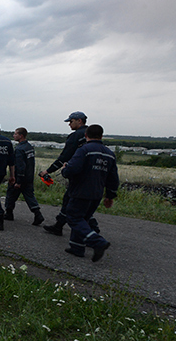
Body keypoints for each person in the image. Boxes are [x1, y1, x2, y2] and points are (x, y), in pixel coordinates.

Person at [60, 124, 119, 261]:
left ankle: (97, 242)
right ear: (101, 136)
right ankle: (77, 247)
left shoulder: (84, 150)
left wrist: (65, 169)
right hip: (97, 193)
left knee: (73, 217)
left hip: (81, 191)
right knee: (83, 219)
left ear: (86, 135)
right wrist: (110, 195)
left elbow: (72, 169)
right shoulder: (109, 154)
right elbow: (113, 178)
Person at [38, 111, 95, 236]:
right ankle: (60, 225)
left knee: (69, 201)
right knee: (79, 203)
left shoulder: (75, 136)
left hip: (77, 175)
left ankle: (92, 231)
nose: (69, 124)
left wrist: (48, 171)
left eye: (71, 121)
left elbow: (64, 156)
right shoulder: (90, 135)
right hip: (93, 176)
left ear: (79, 121)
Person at [4, 127, 45, 225]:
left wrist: (18, 181)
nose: (13, 136)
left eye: (15, 134)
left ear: (21, 136)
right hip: (29, 177)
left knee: (10, 195)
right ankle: (38, 214)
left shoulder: (19, 149)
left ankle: (9, 213)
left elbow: (20, 166)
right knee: (30, 197)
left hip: (20, 177)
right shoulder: (29, 147)